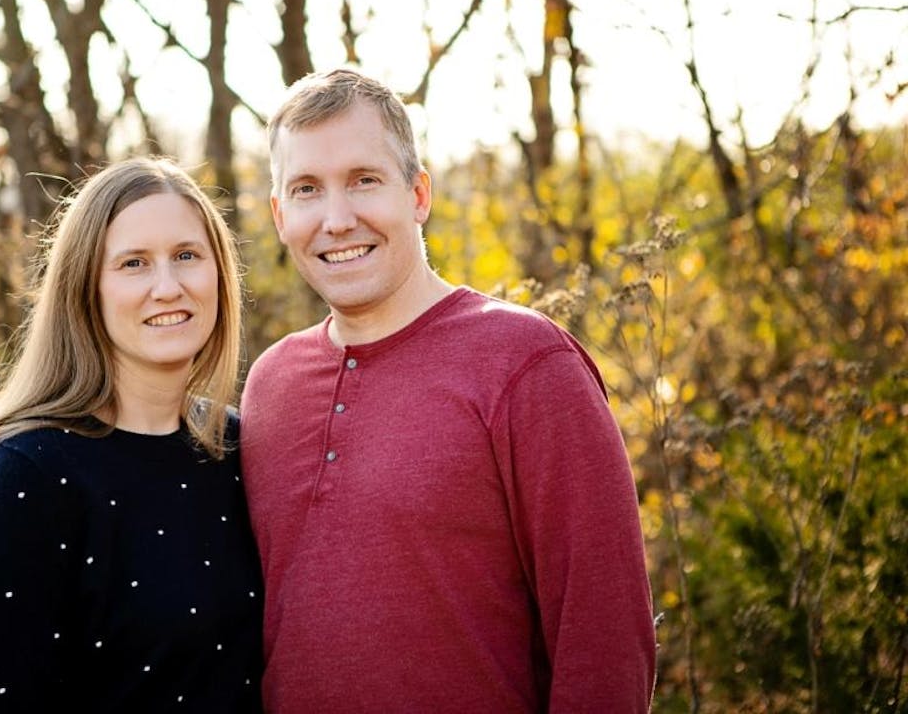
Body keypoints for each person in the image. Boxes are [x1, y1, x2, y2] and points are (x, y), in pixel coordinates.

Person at [241, 69, 656, 712]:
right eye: (306, 190)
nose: (337, 218)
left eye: (364, 181)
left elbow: (603, 637)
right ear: (278, 214)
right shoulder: (270, 385)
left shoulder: (525, 364)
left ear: (418, 193)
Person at [0, 157, 263, 712]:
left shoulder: (240, 449)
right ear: (86, 288)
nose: (168, 286)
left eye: (187, 256)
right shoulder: (23, 479)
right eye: (134, 263)